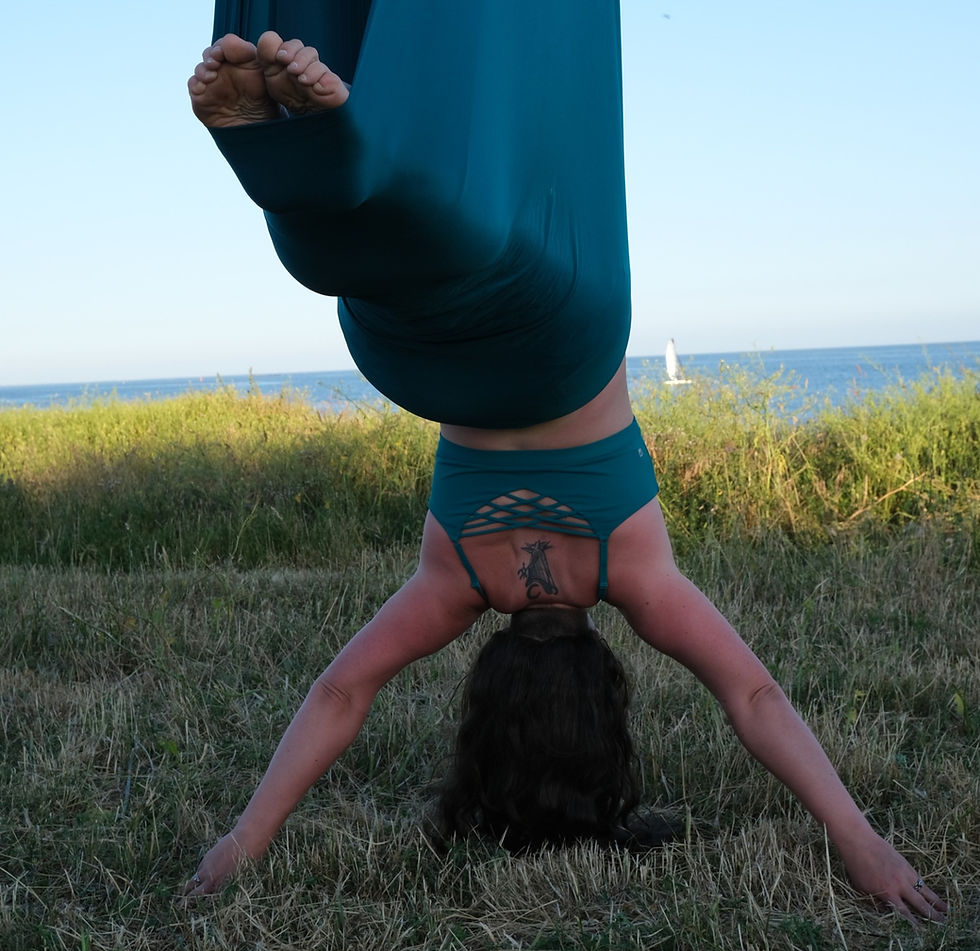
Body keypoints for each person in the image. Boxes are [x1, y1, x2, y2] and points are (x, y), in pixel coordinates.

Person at [183, 17, 947, 923]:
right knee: (369, 274)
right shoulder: (452, 575)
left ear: (602, 690)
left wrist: (860, 837)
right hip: (408, 361)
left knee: (483, 230)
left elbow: (754, 694)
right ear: (488, 689)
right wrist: (245, 836)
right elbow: (341, 691)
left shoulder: (632, 567)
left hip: (560, 332)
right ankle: (304, 170)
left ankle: (337, 157)